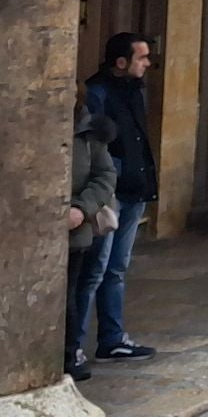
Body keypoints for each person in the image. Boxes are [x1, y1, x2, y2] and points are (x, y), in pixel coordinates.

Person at [80, 33, 159, 364]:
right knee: (93, 270)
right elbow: (92, 148)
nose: (147, 63)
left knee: (116, 268)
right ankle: (74, 346)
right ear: (121, 61)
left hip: (134, 188)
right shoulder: (96, 94)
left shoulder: (135, 92)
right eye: (142, 58)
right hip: (108, 194)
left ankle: (112, 339)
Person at [65, 85, 117, 383]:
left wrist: (81, 209)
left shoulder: (88, 132)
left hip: (74, 229)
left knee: (69, 295)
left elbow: (105, 175)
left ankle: (69, 354)